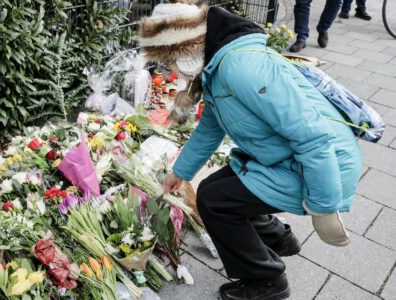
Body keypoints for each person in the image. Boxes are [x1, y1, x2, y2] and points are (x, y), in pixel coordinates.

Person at [139, 2, 362, 300]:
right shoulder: (219, 64)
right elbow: (209, 129)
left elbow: (313, 137)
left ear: (184, 48)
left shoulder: (240, 67)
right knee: (213, 188)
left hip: (324, 168)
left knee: (215, 201)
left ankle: (267, 281)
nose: (170, 69)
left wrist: (323, 206)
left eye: (169, 60)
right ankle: (278, 238)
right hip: (287, 159)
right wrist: (180, 173)